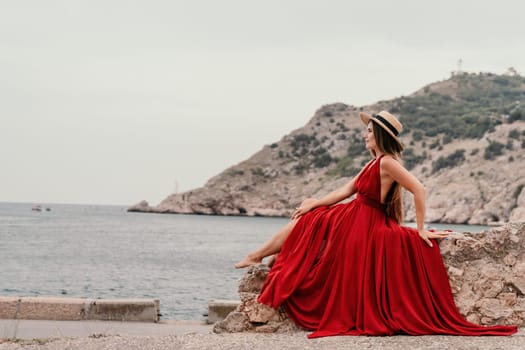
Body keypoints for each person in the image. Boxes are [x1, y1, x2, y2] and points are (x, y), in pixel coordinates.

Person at [234, 111, 517, 338]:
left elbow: (419, 189)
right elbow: (345, 191)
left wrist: (419, 228)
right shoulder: (373, 163)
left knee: (308, 221)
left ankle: (260, 255)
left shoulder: (388, 163)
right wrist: (316, 202)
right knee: (308, 215)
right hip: (352, 215)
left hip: (365, 222)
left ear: (380, 134)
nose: (364, 134)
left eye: (369, 130)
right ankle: (262, 254)